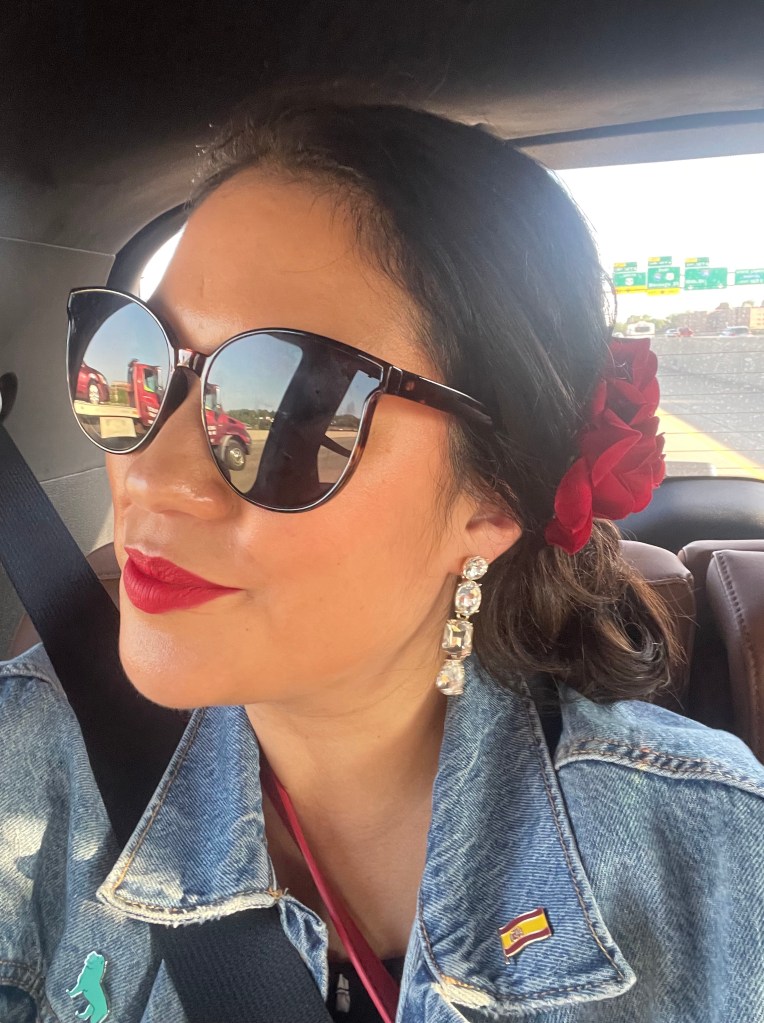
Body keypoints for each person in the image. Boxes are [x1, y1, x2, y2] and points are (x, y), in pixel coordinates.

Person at [2, 86, 763, 1023]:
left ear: (494, 501)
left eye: (286, 406)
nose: (152, 475)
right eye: (139, 360)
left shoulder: (721, 865)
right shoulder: (28, 764)